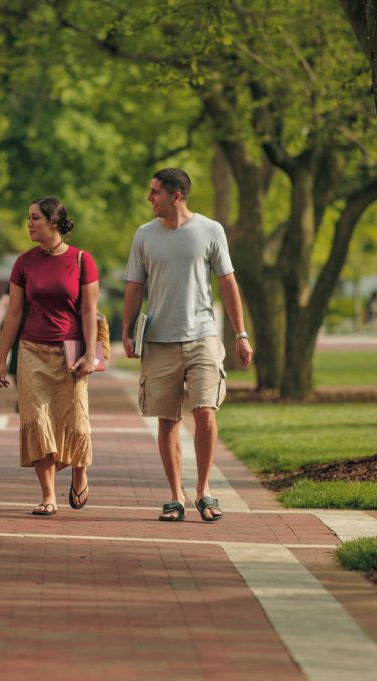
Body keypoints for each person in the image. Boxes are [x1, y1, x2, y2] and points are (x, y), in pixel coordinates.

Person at [122, 168, 253, 523]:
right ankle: (175, 495)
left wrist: (240, 334)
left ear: (176, 195)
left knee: (205, 411)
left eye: (155, 193)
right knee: (167, 420)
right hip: (159, 340)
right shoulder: (144, 236)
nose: (150, 198)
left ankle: (204, 490)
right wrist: (126, 332)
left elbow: (227, 283)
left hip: (203, 336)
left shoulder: (210, 230)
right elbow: (134, 286)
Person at [0, 196, 99, 516]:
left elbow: (89, 310)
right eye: (29, 218)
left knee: (76, 422)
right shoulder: (24, 263)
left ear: (54, 222)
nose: (29, 223)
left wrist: (90, 354)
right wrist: (1, 359)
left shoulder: (82, 260)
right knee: (36, 421)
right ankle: (48, 494)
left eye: (35, 218)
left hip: (71, 352)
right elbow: (13, 314)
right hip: (31, 351)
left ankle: (80, 471)